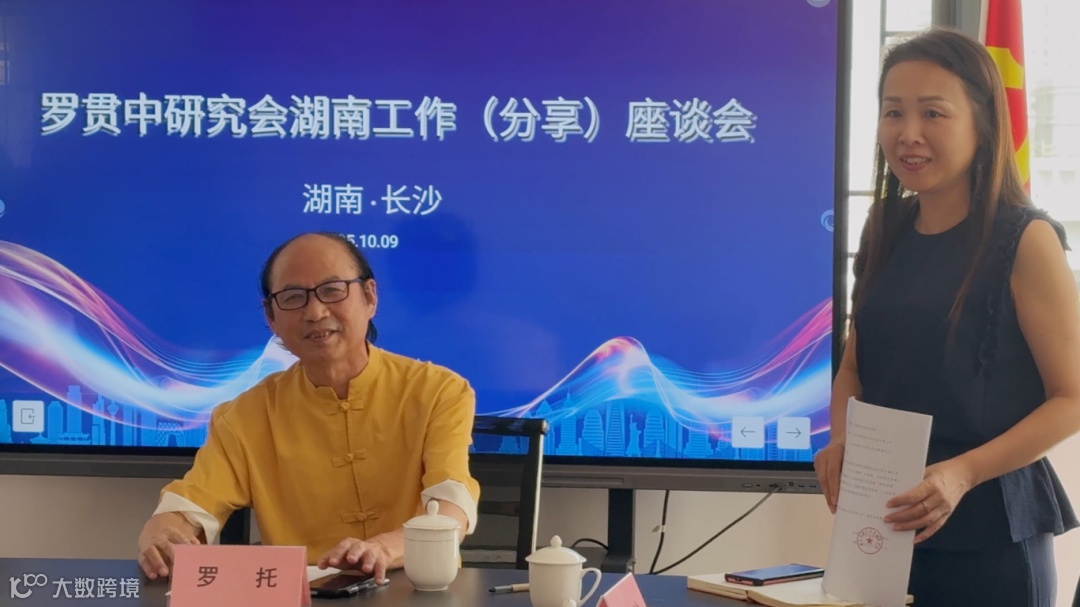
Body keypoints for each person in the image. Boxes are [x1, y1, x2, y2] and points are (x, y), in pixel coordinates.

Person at [813, 27, 1080, 607]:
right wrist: (841, 438)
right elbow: (856, 366)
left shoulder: (1026, 238)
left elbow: (1072, 399)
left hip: (990, 541)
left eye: (933, 113)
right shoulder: (883, 226)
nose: (908, 134)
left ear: (983, 124)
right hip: (882, 528)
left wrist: (960, 473)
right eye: (893, 112)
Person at [136, 231, 480, 584]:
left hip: (420, 588)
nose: (315, 312)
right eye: (293, 298)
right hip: (303, 595)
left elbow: (451, 503)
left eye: (332, 290)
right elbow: (192, 504)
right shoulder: (243, 417)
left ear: (370, 297)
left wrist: (383, 548)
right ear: (271, 318)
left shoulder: (438, 391)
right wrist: (162, 532)